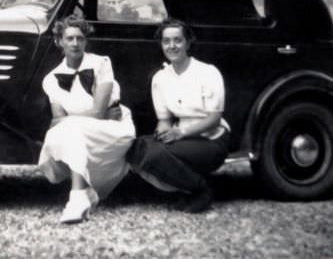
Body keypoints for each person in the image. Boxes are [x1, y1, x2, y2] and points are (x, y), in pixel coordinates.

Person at [37, 15, 136, 224]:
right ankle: (82, 194)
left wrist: (90, 116)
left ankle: (76, 199)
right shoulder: (52, 79)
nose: (75, 43)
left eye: (80, 38)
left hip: (112, 127)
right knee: (72, 131)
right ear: (59, 41)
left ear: (86, 41)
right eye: (70, 38)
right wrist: (91, 116)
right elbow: (57, 121)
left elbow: (99, 113)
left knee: (72, 128)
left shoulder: (101, 64)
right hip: (82, 132)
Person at [126, 18, 230, 213]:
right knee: (136, 148)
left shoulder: (208, 72)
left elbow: (213, 120)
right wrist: (162, 134)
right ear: (161, 44)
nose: (172, 46)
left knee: (155, 155)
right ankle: (184, 190)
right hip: (181, 138)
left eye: (177, 40)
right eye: (166, 41)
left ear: (188, 42)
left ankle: (201, 190)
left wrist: (179, 133)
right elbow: (164, 121)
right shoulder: (160, 78)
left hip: (212, 139)